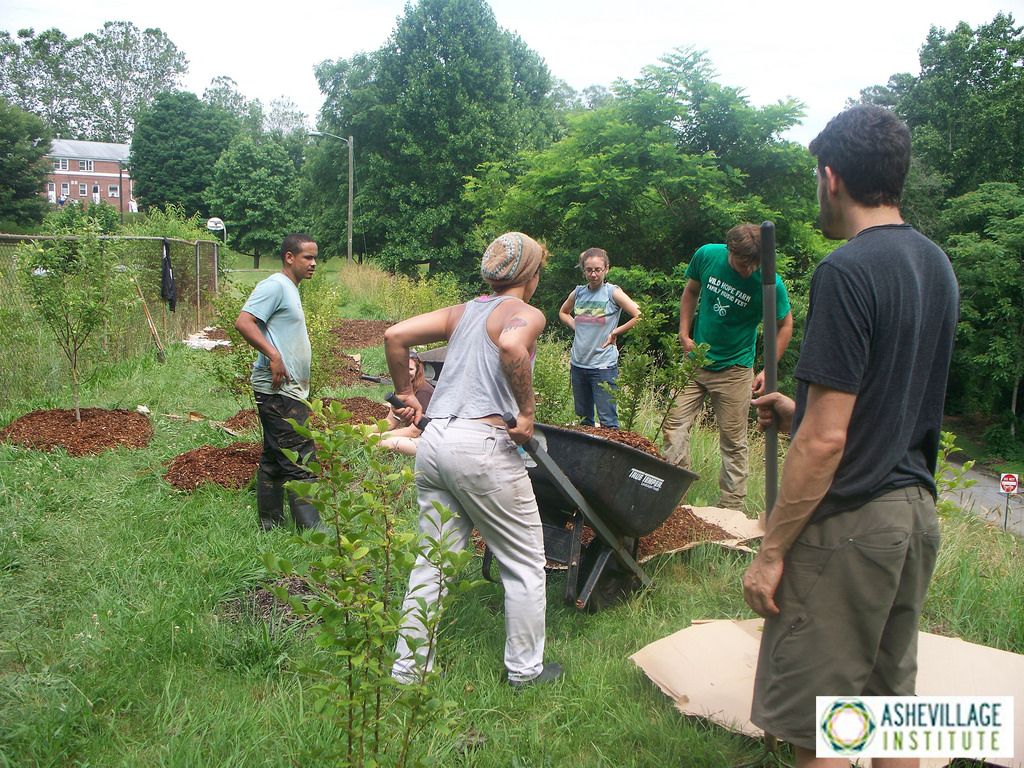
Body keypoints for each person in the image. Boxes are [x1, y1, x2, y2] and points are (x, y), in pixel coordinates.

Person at [742, 106, 959, 768]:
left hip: (853, 528)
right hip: (913, 518)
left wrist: (772, 550)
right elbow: (885, 402)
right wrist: (797, 410)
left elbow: (827, 442)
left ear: (830, 178)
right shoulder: (935, 264)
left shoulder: (846, 270)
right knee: (889, 715)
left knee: (825, 731)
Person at [385, 231, 562, 689]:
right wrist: (526, 413)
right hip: (482, 444)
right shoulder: (527, 313)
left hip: (436, 439)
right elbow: (510, 347)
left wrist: (406, 393)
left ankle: (408, 672)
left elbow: (395, 335)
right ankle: (525, 672)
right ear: (533, 273)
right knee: (524, 564)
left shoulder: (460, 313)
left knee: (434, 561)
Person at [661, 224, 793, 510]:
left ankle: (730, 510)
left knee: (733, 441)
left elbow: (784, 325)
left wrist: (769, 369)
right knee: (674, 428)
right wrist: (684, 333)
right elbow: (690, 292)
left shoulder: (771, 282)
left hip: (735, 368)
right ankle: (675, 504)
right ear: (729, 250)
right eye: (742, 263)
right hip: (696, 361)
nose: (747, 270)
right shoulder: (708, 255)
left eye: (754, 265)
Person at [235, 233, 328, 533]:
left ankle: (270, 525)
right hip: (278, 390)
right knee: (299, 454)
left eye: (315, 258)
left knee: (275, 456)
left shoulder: (289, 288)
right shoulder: (275, 285)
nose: (313, 263)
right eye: (307, 258)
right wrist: (274, 355)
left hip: (289, 390)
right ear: (289, 257)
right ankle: (311, 531)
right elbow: (244, 322)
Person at [558, 247, 641, 429]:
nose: (593, 274)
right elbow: (563, 312)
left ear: (606, 269)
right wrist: (576, 327)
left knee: (608, 423)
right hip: (578, 365)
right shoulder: (579, 293)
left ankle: (611, 457)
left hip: (603, 367)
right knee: (583, 422)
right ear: (584, 270)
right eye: (589, 270)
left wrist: (615, 333)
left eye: (598, 270)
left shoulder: (612, 292)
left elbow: (640, 315)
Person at [375, 351, 435, 456]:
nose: (406, 373)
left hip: (428, 440)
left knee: (386, 443)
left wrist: (380, 436)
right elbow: (390, 421)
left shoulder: (423, 391)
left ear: (417, 371)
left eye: (410, 369)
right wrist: (364, 430)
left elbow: (414, 431)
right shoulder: (402, 389)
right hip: (415, 436)